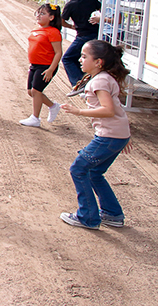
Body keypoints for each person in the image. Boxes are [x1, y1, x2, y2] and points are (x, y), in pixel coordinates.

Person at [59, 40, 131, 230]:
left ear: (98, 62)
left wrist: (78, 112)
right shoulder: (105, 77)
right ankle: (112, 214)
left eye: (84, 57)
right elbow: (117, 109)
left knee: (79, 169)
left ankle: (87, 217)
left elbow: (108, 110)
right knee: (95, 173)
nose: (80, 60)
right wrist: (125, 136)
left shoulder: (99, 81)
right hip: (117, 135)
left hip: (109, 136)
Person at [20, 4, 63, 127]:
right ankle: (53, 106)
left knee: (36, 91)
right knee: (30, 91)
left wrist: (51, 69)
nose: (38, 16)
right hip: (34, 65)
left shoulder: (53, 32)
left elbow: (58, 52)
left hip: (45, 66)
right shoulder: (36, 29)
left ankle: (35, 118)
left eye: (43, 14)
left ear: (51, 17)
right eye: (38, 13)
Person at [61, 0, 101, 88]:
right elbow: (101, 9)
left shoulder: (70, 5)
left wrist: (71, 26)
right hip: (96, 34)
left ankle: (79, 84)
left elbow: (62, 21)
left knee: (67, 58)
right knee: (82, 58)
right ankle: (86, 80)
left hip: (83, 36)